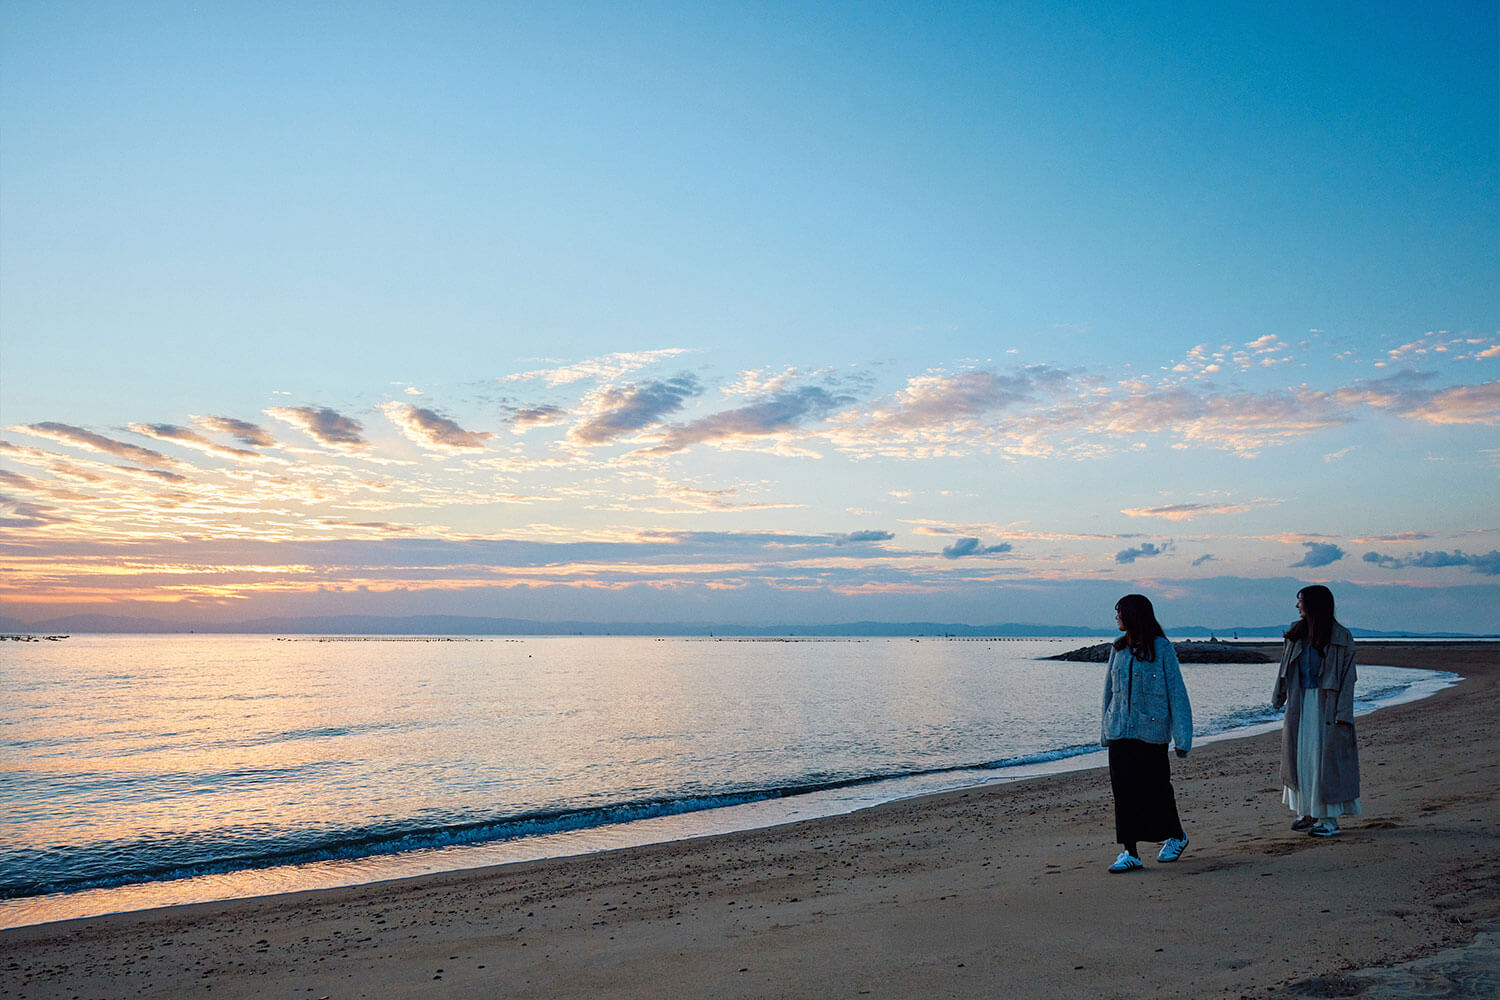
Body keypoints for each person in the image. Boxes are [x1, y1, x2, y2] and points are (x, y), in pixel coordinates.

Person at [1100, 594, 1194, 873]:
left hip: (1151, 733)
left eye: (1119, 612)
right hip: (1120, 732)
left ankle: (1176, 836)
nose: (1116, 617)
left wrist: (1182, 737)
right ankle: (1130, 852)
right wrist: (1105, 730)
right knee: (1123, 791)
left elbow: (1177, 694)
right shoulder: (1117, 649)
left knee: (1157, 790)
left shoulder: (1162, 648)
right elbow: (1108, 693)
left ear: (1133, 615)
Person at [1272, 585, 1360, 837]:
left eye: (1300, 601)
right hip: (1300, 705)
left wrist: (1343, 714)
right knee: (1301, 760)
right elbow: (1284, 670)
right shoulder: (1296, 633)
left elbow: (1348, 679)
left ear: (1313, 605)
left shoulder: (1341, 637)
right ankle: (1307, 812)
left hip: (1327, 707)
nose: (1297, 606)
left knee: (1325, 763)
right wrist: (1279, 696)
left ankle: (1328, 819)